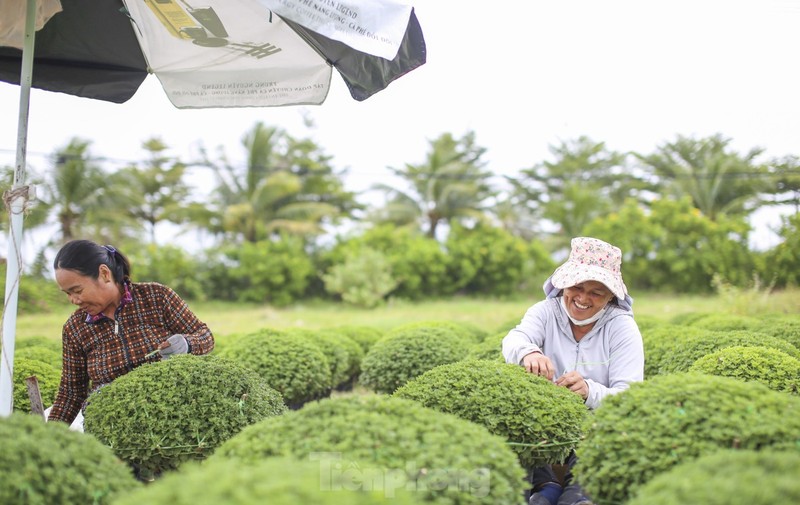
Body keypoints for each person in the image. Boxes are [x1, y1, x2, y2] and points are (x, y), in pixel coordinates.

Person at [502, 237, 644, 505]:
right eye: (577, 287)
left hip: (595, 426)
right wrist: (528, 352)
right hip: (542, 423)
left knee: (593, 454)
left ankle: (578, 495)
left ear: (610, 296)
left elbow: (631, 397)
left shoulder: (622, 328)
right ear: (564, 284)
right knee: (516, 432)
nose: (582, 298)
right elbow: (514, 339)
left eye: (596, 292)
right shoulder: (545, 312)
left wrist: (589, 391)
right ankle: (544, 487)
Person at [48, 239, 214, 425]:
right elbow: (71, 393)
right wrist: (52, 435)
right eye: (67, 294)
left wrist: (187, 343)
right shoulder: (75, 328)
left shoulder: (156, 297)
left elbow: (205, 336)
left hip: (172, 418)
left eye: (77, 290)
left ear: (104, 274)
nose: (73, 300)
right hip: (112, 425)